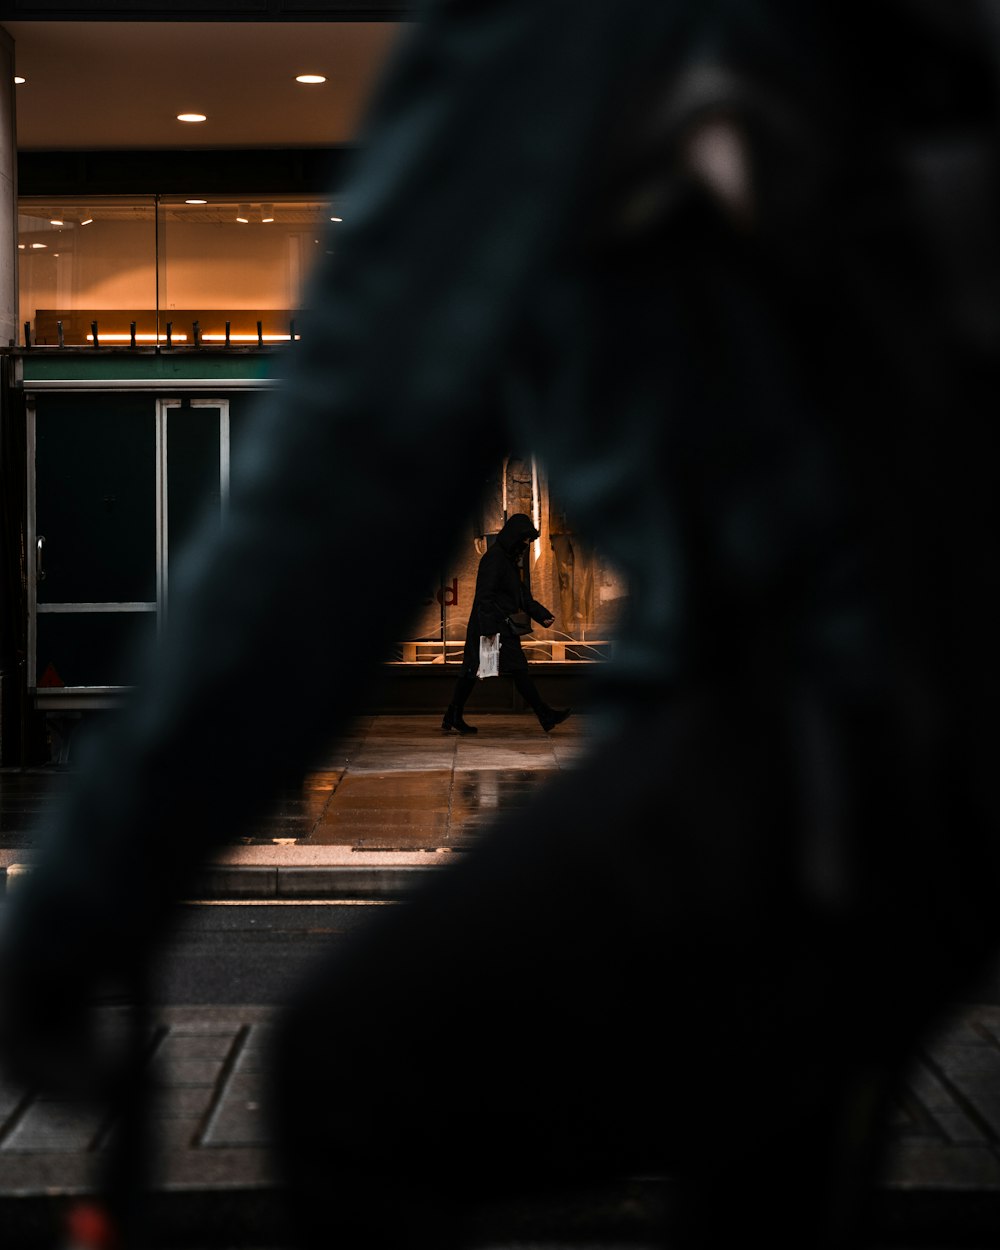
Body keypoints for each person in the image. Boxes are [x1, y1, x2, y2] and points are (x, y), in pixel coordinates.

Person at [2, 3, 1000, 1248]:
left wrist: (87, 887)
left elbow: (343, 480)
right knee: (758, 1121)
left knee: (352, 1071)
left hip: (829, 732)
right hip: (901, 729)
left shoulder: (547, 37)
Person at [442, 512, 571, 735]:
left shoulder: (508, 560)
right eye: (525, 539)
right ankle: (544, 714)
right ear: (514, 537)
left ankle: (453, 714)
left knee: (475, 670)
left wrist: (542, 615)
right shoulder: (495, 559)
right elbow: (484, 597)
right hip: (491, 626)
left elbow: (522, 596)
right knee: (498, 669)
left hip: (497, 625)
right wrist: (489, 632)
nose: (527, 544)